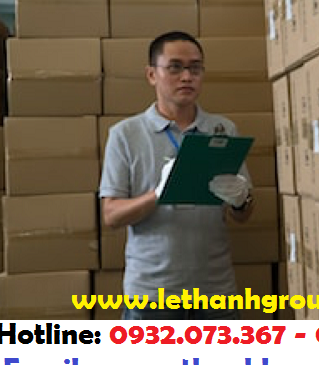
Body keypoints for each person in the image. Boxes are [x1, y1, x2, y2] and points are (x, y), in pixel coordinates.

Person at [99, 31, 254, 320]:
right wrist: (158, 193)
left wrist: (241, 199)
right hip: (152, 296)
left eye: (195, 68)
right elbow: (111, 216)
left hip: (215, 293)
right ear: (151, 75)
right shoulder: (126, 135)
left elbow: (243, 216)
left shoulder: (222, 130)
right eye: (175, 67)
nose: (186, 77)